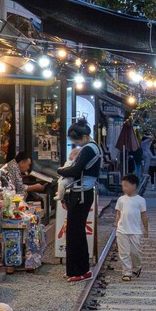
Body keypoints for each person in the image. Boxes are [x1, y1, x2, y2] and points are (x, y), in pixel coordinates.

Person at [57, 120, 102, 282]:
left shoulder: (89, 149)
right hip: (82, 193)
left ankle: (81, 270)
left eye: (76, 141)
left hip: (81, 194)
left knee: (76, 233)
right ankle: (74, 270)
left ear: (84, 136)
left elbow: (76, 170)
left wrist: (59, 170)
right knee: (74, 232)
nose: (75, 145)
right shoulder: (92, 147)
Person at [114, 173, 148, 281]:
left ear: (134, 186)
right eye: (123, 186)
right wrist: (116, 226)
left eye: (126, 185)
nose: (124, 188)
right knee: (124, 253)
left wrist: (146, 229)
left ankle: (137, 267)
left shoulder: (140, 200)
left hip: (135, 231)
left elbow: (144, 216)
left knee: (135, 252)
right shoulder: (121, 199)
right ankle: (126, 272)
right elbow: (118, 214)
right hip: (122, 230)